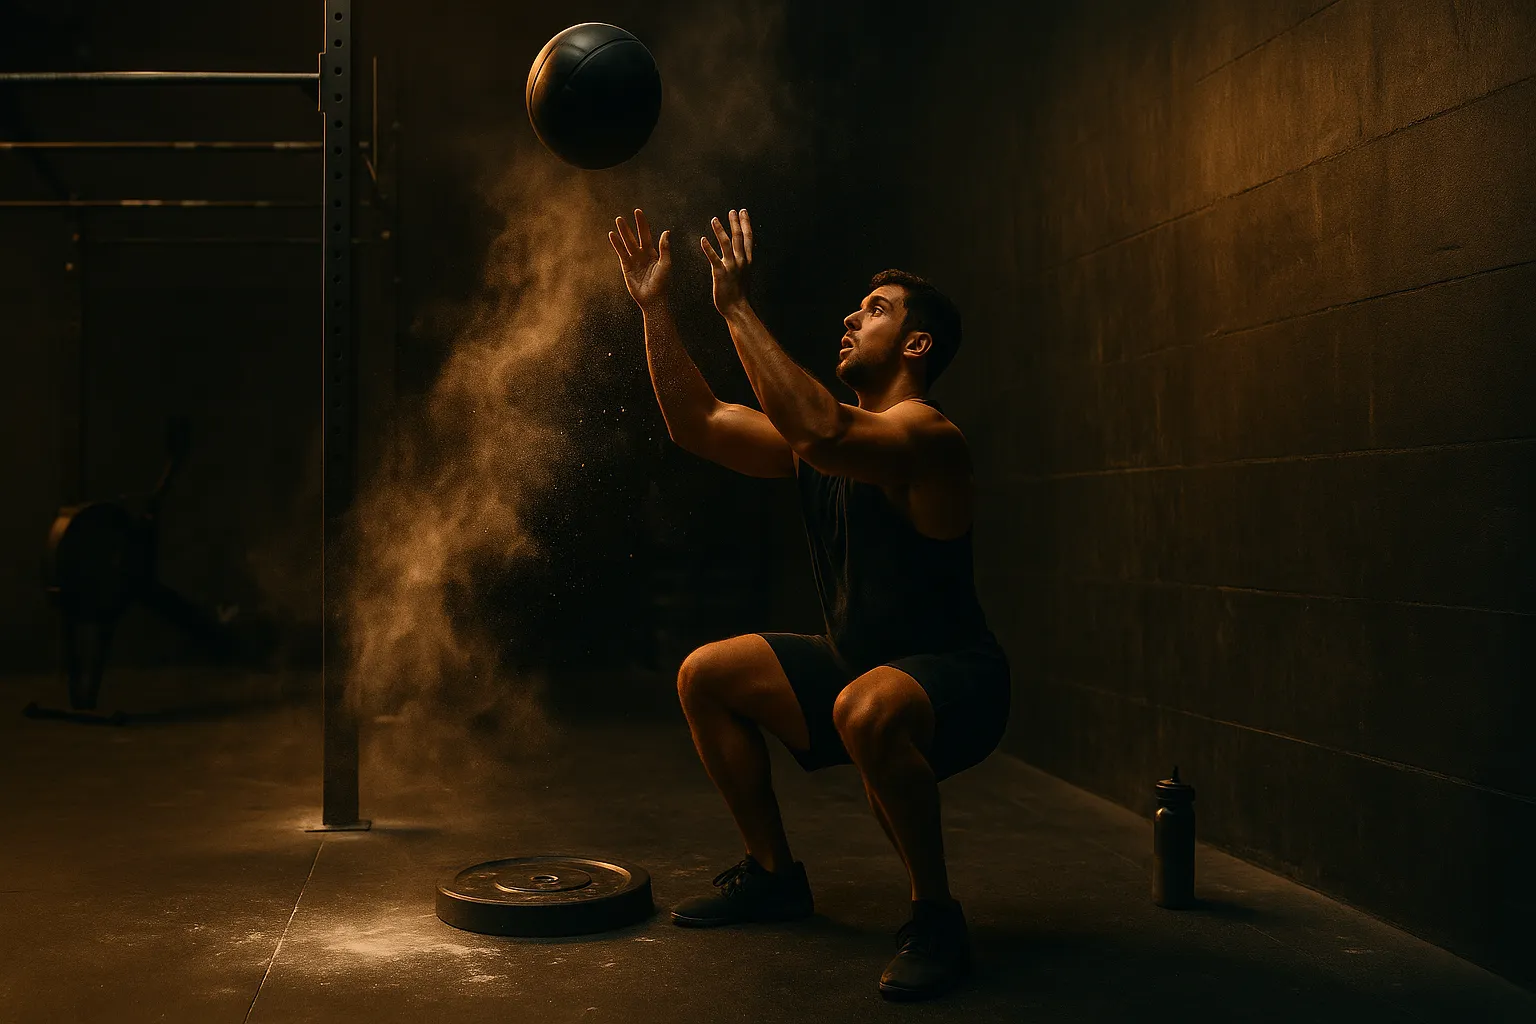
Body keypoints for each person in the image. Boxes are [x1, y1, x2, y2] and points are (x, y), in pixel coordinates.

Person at [608, 207, 1010, 1001]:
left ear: (916, 345)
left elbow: (822, 430)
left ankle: (936, 919)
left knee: (866, 709)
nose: (851, 319)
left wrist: (734, 305)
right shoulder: (820, 443)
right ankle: (773, 875)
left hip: (956, 681)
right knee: (706, 674)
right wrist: (656, 310)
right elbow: (700, 423)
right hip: (854, 663)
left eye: (877, 310)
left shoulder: (929, 436)